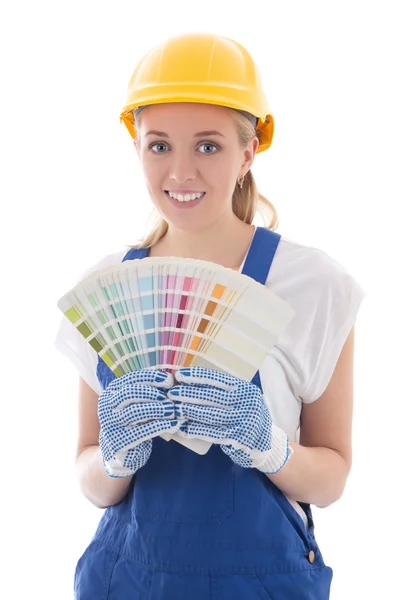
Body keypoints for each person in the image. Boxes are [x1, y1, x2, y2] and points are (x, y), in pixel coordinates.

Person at [55, 32, 365, 599]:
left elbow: (332, 478)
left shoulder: (313, 286)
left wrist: (267, 444)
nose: (180, 172)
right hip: (124, 581)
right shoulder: (104, 290)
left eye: (207, 146)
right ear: (137, 149)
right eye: (158, 145)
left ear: (248, 153)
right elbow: (91, 479)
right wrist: (118, 454)